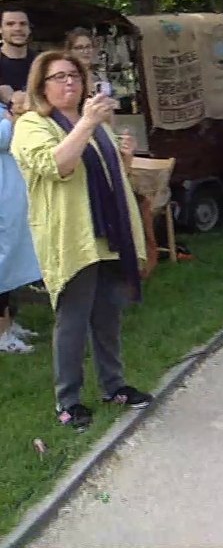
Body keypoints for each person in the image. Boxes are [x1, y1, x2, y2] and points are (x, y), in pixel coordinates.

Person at [12, 51, 151, 430]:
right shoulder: (32, 124)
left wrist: (121, 158)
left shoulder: (94, 123)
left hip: (108, 232)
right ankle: (68, 400)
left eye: (74, 75)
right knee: (73, 319)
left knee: (107, 314)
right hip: (72, 236)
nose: (69, 83)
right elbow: (58, 165)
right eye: (58, 77)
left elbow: (105, 174)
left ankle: (114, 385)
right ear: (41, 85)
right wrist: (88, 123)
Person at [0, 94, 42, 353]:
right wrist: (14, 118)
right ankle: (1, 334)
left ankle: (9, 321)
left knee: (12, 261)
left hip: (11, 192)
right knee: (2, 263)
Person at [0, 9, 34, 107]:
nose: (18, 28)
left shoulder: (42, 62)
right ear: (1, 29)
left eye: (23, 24)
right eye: (10, 24)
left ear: (29, 29)